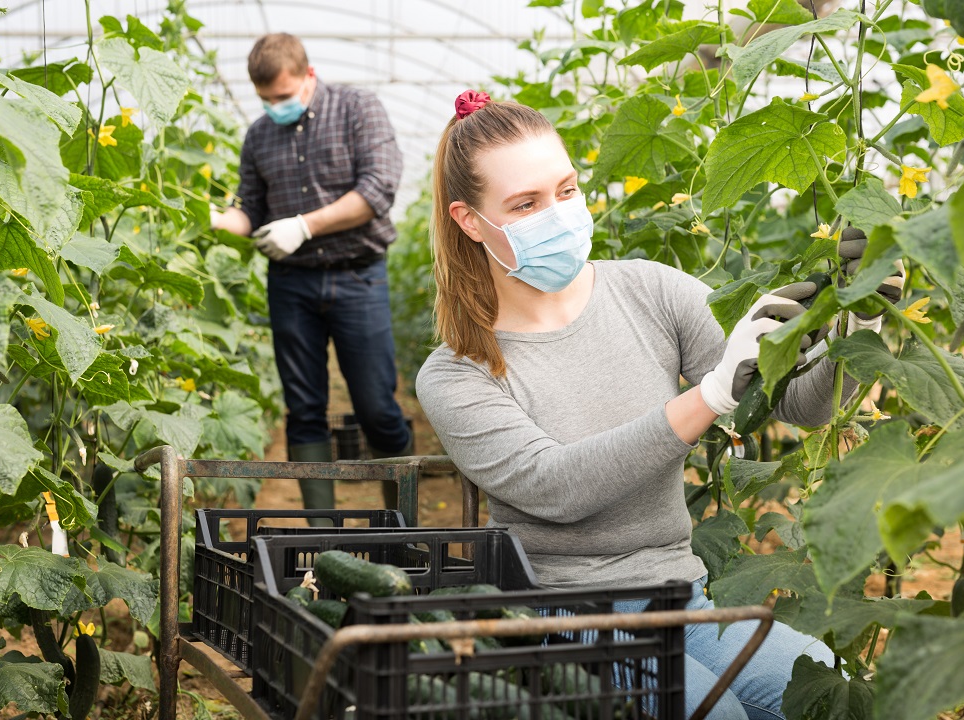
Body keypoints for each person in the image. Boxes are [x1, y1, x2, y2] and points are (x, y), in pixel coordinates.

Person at [415, 91, 902, 720]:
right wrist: (708, 396)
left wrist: (857, 321)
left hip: (683, 596)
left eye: (566, 190)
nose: (558, 214)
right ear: (469, 219)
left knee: (835, 700)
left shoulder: (650, 290)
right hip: (561, 619)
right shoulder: (457, 371)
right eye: (525, 204)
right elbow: (556, 486)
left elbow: (802, 406)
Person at [213, 33, 412, 516]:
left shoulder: (357, 108)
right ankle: (323, 536)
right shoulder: (259, 136)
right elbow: (251, 210)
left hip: (358, 275)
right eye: (265, 100)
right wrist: (216, 219)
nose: (274, 107)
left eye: (282, 97)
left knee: (377, 409)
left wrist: (305, 225)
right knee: (303, 411)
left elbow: (379, 188)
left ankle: (403, 526)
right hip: (292, 283)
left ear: (309, 76)